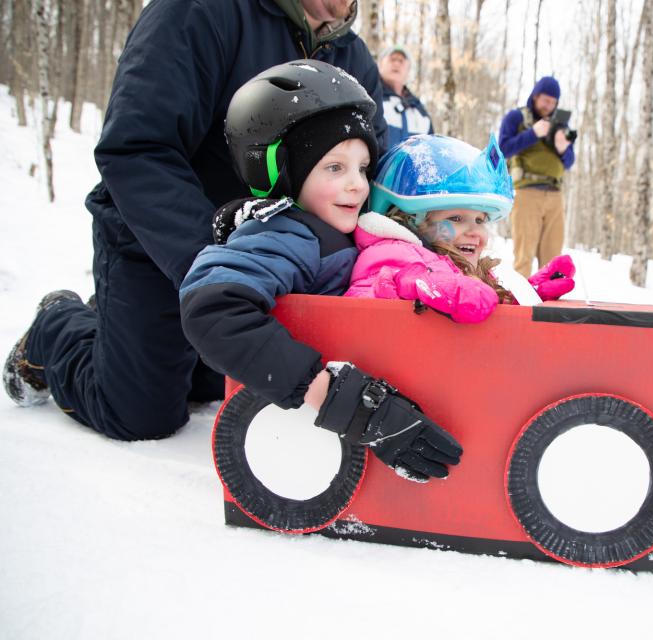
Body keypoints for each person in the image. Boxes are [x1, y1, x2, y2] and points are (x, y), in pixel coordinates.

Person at [3, 0, 388, 440]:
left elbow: (370, 178)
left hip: (275, 263)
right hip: (161, 239)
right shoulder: (200, 11)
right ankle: (55, 326)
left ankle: (125, 329)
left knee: (216, 380)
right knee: (141, 413)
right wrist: (215, 267)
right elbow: (136, 147)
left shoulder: (352, 56)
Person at [180, 60, 461, 483]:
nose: (357, 185)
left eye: (363, 168)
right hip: (299, 422)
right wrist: (341, 400)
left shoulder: (344, 230)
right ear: (282, 172)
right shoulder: (287, 234)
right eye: (335, 167)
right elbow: (211, 307)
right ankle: (60, 326)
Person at [347, 134, 576, 318]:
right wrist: (407, 284)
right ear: (409, 220)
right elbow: (359, 304)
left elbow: (480, 308)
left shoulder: (464, 266)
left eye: (480, 220)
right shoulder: (391, 254)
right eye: (456, 218)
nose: (475, 232)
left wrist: (522, 295)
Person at [498, 76, 576, 278]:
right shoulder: (516, 118)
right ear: (535, 97)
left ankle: (549, 308)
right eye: (545, 100)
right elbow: (503, 149)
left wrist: (562, 148)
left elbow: (569, 161)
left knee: (552, 263)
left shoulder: (560, 126)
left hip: (555, 195)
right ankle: (521, 306)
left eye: (552, 102)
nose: (548, 105)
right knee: (524, 257)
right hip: (527, 193)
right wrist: (533, 133)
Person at [377, 45, 433, 151]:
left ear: (408, 70)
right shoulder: (371, 98)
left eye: (401, 61)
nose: (397, 63)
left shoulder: (420, 111)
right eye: (392, 59)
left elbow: (430, 152)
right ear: (380, 64)